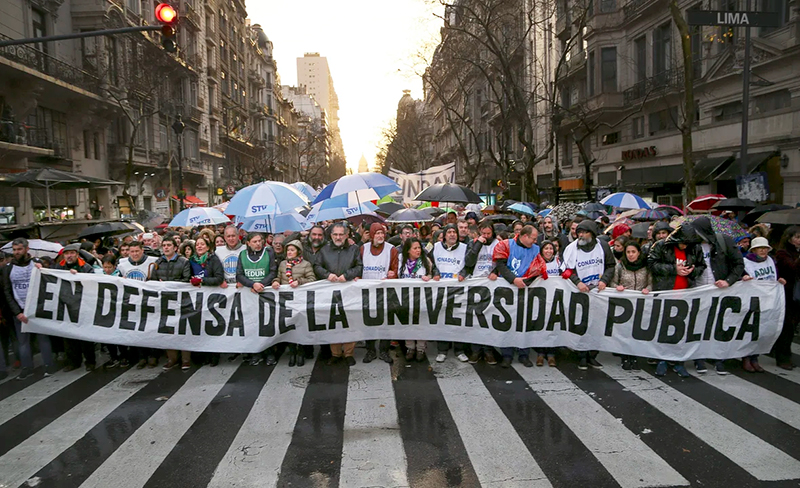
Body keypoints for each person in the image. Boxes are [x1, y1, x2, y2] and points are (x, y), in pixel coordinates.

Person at [648, 224, 707, 377]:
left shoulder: (695, 248)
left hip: (685, 294)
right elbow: (652, 264)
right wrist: (674, 269)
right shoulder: (661, 246)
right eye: (683, 243)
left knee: (680, 331)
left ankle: (678, 362)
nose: (685, 246)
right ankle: (662, 359)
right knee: (663, 329)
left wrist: (692, 271)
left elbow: (702, 265)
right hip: (666, 292)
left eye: (688, 244)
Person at [692, 216, 745, 375]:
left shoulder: (724, 242)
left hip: (720, 292)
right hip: (698, 290)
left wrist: (728, 281)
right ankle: (699, 358)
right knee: (699, 325)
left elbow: (738, 264)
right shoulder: (692, 246)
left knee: (718, 325)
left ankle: (718, 359)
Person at [561, 220, 614, 370]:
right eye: (579, 233)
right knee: (581, 324)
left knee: (597, 325)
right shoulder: (571, 248)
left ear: (592, 233)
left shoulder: (602, 246)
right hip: (580, 293)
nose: (581, 236)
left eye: (584, 232)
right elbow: (565, 270)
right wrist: (577, 282)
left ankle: (592, 355)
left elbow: (611, 266)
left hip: (598, 292)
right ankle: (581, 355)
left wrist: (604, 280)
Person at [493, 224, 547, 368]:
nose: (535, 242)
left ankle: (524, 353)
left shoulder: (536, 249)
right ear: (524, 236)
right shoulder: (506, 245)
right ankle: (507, 354)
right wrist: (513, 279)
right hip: (507, 290)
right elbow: (501, 265)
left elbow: (539, 269)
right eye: (533, 239)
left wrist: (526, 281)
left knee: (525, 323)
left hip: (526, 290)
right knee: (507, 323)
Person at [1, 238, 56, 379]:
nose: (16, 252)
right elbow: (7, 291)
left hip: (37, 309)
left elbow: (46, 284)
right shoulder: (8, 269)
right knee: (23, 342)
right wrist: (17, 312)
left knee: (43, 339)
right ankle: (27, 368)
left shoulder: (36, 264)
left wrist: (42, 268)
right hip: (19, 311)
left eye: (19, 249)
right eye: (14, 250)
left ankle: (49, 365)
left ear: (26, 249)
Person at [314, 222, 363, 366]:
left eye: (341, 234)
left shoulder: (354, 249)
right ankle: (335, 353)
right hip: (330, 292)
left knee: (350, 321)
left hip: (349, 292)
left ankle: (349, 353)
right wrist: (327, 275)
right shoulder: (324, 249)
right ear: (331, 235)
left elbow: (359, 266)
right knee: (332, 322)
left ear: (347, 235)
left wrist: (347, 275)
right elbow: (317, 266)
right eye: (335, 234)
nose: (338, 237)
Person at [741, 237, 785, 372]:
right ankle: (746, 358)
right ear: (753, 249)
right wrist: (744, 278)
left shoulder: (771, 261)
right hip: (752, 301)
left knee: (762, 330)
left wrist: (780, 280)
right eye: (760, 248)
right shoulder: (745, 262)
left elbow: (773, 276)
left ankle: (755, 357)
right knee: (750, 330)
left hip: (768, 301)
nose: (763, 250)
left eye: (765, 248)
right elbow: (740, 277)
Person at [272, 240, 316, 367]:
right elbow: (279, 277)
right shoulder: (282, 264)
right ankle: (292, 352)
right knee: (289, 325)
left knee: (300, 325)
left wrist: (299, 281)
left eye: (292, 250)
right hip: (286, 300)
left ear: (298, 251)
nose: (290, 252)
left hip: (300, 300)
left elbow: (312, 279)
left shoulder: (306, 264)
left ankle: (301, 351)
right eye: (288, 250)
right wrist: (275, 281)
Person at [53, 243, 97, 372]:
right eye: (67, 254)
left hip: (83, 306)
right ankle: (73, 361)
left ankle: (90, 361)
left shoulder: (86, 268)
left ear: (77, 255)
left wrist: (78, 276)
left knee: (85, 337)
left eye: (72, 253)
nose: (69, 256)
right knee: (69, 337)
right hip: (66, 306)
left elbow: (93, 283)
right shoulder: (58, 268)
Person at [236, 232, 278, 365]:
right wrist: (252, 284)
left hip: (265, 293)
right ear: (248, 243)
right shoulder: (242, 255)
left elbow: (273, 271)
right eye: (254, 241)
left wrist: (262, 284)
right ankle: (256, 352)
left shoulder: (269, 252)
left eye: (260, 241)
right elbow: (239, 274)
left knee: (267, 324)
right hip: (249, 294)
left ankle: (269, 352)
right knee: (252, 324)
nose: (258, 243)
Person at [151, 237, 192, 371]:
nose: (166, 247)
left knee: (182, 328)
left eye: (169, 245)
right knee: (167, 329)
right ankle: (172, 358)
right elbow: (153, 280)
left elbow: (186, 280)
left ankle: (185, 359)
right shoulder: (158, 263)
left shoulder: (184, 262)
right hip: (164, 301)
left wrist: (169, 284)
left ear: (175, 248)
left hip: (181, 300)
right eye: (164, 245)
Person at [610, 241, 652, 370]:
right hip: (625, 304)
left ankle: (635, 356)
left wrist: (648, 289)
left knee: (637, 331)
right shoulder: (620, 267)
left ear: (638, 253)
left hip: (640, 303)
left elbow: (650, 282)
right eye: (628, 252)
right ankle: (625, 357)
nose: (630, 255)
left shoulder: (645, 267)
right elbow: (612, 283)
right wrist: (618, 287)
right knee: (625, 330)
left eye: (633, 252)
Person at [360, 223, 398, 364]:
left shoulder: (391, 250)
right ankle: (370, 350)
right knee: (368, 321)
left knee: (385, 321)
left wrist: (392, 275)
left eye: (382, 233)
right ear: (371, 235)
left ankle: (384, 350)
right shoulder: (363, 249)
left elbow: (396, 270)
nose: (380, 236)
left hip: (385, 292)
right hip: (367, 292)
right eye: (377, 233)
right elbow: (358, 267)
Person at [431, 223, 469, 363]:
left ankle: (459, 350)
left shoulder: (465, 248)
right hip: (441, 290)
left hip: (458, 289)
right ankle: (442, 350)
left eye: (454, 232)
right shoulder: (436, 247)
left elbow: (469, 265)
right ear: (444, 235)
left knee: (458, 320)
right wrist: (435, 273)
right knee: (442, 320)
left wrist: (463, 274)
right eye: (449, 232)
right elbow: (431, 264)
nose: (452, 234)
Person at [464, 221, 499, 365]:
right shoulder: (473, 243)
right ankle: (476, 350)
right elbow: (469, 262)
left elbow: (503, 262)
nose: (486, 236)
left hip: (491, 285)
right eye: (483, 234)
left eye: (488, 234)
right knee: (476, 318)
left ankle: (488, 350)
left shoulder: (498, 244)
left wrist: (495, 272)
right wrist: (478, 244)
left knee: (489, 319)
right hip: (476, 284)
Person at [189, 235, 226, 366]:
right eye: (197, 244)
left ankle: (214, 355)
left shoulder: (213, 259)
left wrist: (202, 281)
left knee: (211, 327)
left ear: (208, 247)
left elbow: (218, 278)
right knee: (199, 327)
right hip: (197, 300)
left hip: (211, 299)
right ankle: (202, 355)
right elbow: (187, 278)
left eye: (202, 244)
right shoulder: (191, 260)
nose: (199, 246)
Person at [398, 237, 434, 361]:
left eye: (419, 248)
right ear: (408, 250)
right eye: (415, 248)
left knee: (421, 323)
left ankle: (420, 348)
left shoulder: (426, 261)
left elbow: (433, 274)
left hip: (421, 298)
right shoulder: (400, 260)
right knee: (407, 323)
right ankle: (410, 347)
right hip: (405, 298)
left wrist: (429, 277)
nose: (418, 250)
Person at [774, 226, 800, 370]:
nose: (799, 240)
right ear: (789, 239)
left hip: (797, 294)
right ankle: (783, 357)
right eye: (797, 237)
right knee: (787, 327)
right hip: (787, 294)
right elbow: (792, 268)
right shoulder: (782, 253)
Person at [538, 240, 561, 367]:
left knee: (553, 327)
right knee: (541, 326)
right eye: (546, 248)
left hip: (555, 299)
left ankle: (551, 354)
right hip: (540, 300)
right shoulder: (537, 262)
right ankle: (540, 353)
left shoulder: (558, 262)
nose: (548, 251)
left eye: (551, 248)